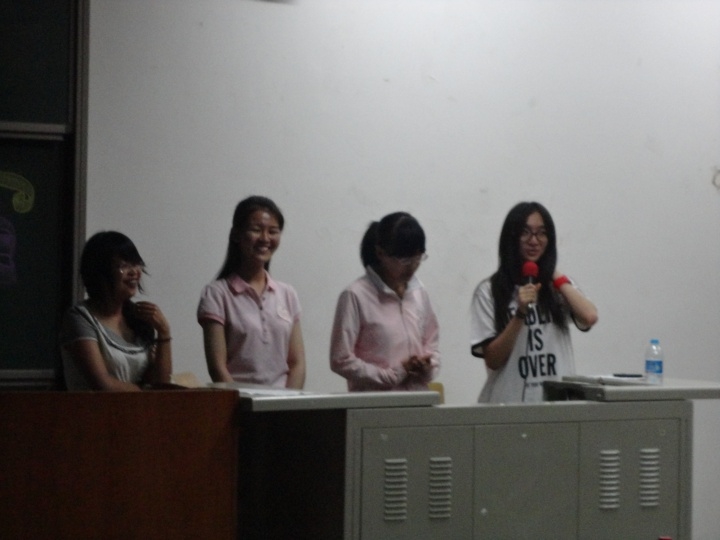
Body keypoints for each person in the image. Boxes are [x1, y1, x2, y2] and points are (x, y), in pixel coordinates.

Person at [470, 202, 598, 403]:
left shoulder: (558, 287)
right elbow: (493, 360)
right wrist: (520, 314)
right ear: (511, 237)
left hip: (556, 405)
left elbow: (589, 316)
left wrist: (553, 273)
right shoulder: (489, 291)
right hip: (507, 406)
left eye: (542, 233)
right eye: (525, 233)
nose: (534, 241)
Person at [197, 196, 306, 388]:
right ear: (236, 234)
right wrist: (244, 401)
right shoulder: (217, 294)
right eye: (256, 229)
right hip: (239, 402)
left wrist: (290, 400)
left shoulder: (287, 294)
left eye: (273, 231)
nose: (265, 238)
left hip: (284, 402)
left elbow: (297, 363)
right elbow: (217, 367)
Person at [330, 212, 440, 391]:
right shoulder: (355, 295)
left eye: (418, 257)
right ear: (381, 253)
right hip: (375, 402)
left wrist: (428, 366)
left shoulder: (419, 292)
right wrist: (390, 375)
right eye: (404, 259)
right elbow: (340, 359)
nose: (412, 266)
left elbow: (431, 343)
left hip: (418, 399)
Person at [60, 231, 172, 391]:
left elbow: (162, 386)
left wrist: (164, 331)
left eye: (136, 264)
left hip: (138, 406)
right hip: (94, 408)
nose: (134, 272)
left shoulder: (138, 318)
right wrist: (146, 394)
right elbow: (103, 384)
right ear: (101, 273)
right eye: (124, 266)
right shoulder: (80, 318)